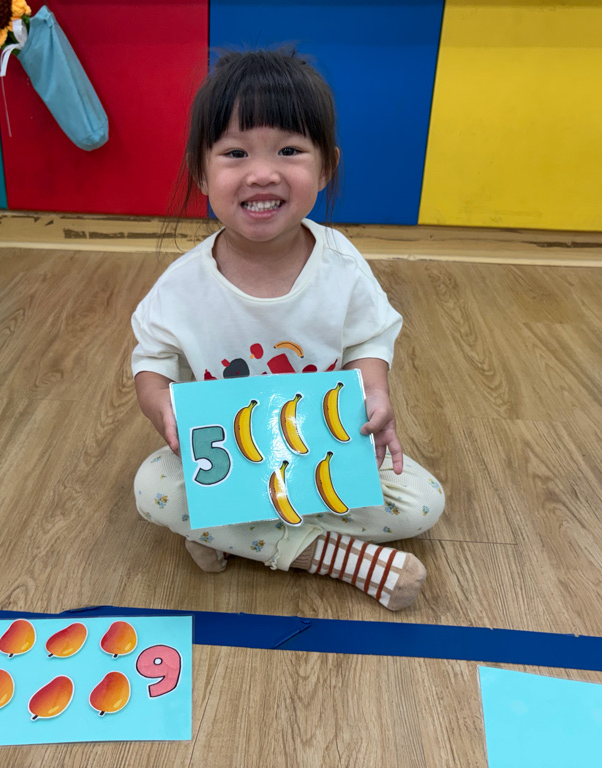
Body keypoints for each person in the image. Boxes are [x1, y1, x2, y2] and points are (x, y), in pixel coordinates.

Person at [130, 48, 444, 612]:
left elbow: (368, 339)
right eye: (235, 153)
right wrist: (163, 408)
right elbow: (150, 361)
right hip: (228, 459)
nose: (262, 172)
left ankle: (231, 535)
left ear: (326, 168)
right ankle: (332, 557)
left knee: (423, 502)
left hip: (320, 454)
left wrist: (375, 390)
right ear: (200, 171)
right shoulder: (182, 286)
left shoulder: (340, 264)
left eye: (289, 150)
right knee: (153, 489)